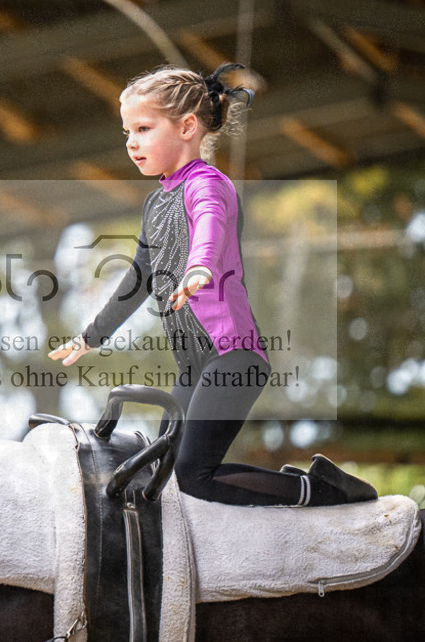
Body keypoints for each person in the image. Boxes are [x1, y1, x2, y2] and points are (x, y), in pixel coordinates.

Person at [49, 63, 376, 507]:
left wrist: (199, 267)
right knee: (170, 474)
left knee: (194, 475)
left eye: (143, 128)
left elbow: (209, 225)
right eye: (126, 131)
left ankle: (320, 489)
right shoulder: (156, 202)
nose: (130, 141)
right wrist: (92, 335)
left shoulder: (209, 185)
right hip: (194, 365)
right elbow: (139, 279)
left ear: (187, 126)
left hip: (233, 357)